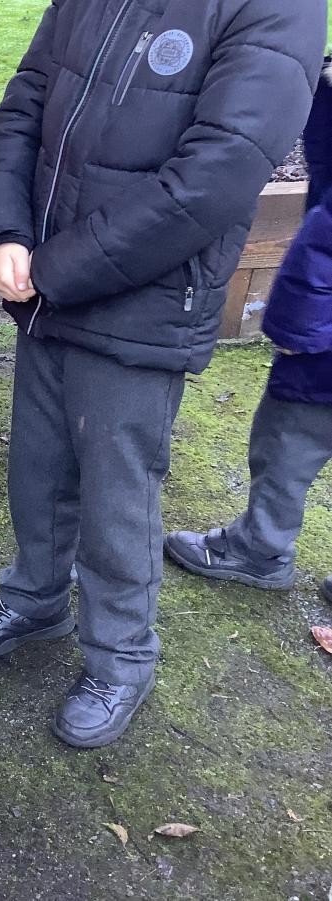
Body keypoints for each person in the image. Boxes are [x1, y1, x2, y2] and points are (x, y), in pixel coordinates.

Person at [0, 0, 325, 748]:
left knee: (117, 494)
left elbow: (215, 173)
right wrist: (1, 230)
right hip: (44, 285)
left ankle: (120, 655)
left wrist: (57, 267)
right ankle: (34, 596)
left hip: (139, 302)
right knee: (36, 464)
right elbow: (25, 97)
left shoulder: (278, 8)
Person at [166, 63, 332, 604]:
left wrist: (293, 328)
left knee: (288, 443)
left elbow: (322, 245)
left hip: (322, 358)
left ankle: (260, 549)